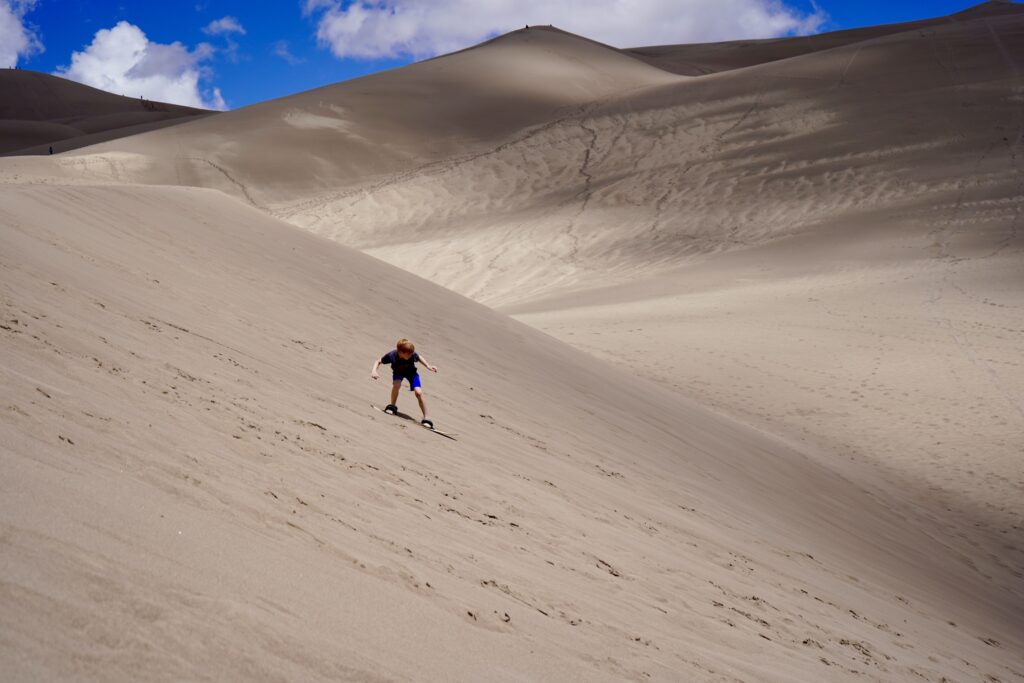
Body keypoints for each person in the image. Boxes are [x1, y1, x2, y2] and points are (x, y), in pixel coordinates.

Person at [371, 338, 438, 428]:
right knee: (396, 385)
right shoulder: (392, 355)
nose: (411, 355)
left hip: (412, 374)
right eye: (409, 354)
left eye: (411, 353)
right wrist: (374, 371)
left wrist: (428, 366)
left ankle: (426, 418)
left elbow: (418, 357)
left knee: (419, 392)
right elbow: (378, 361)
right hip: (398, 372)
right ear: (400, 352)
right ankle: (392, 406)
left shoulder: (412, 354)